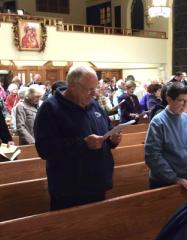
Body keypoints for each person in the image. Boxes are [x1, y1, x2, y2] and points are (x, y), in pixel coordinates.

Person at [34, 66, 122, 211]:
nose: (94, 94)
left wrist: (112, 141)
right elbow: (44, 148)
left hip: (97, 183)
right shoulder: (50, 108)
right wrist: (82, 144)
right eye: (90, 89)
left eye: (96, 88)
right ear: (73, 86)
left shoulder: (93, 105)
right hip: (69, 189)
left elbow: (105, 131)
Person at [144, 82, 187, 190]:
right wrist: (175, 179)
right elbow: (152, 156)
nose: (185, 105)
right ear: (169, 99)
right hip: (164, 182)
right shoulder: (158, 122)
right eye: (181, 100)